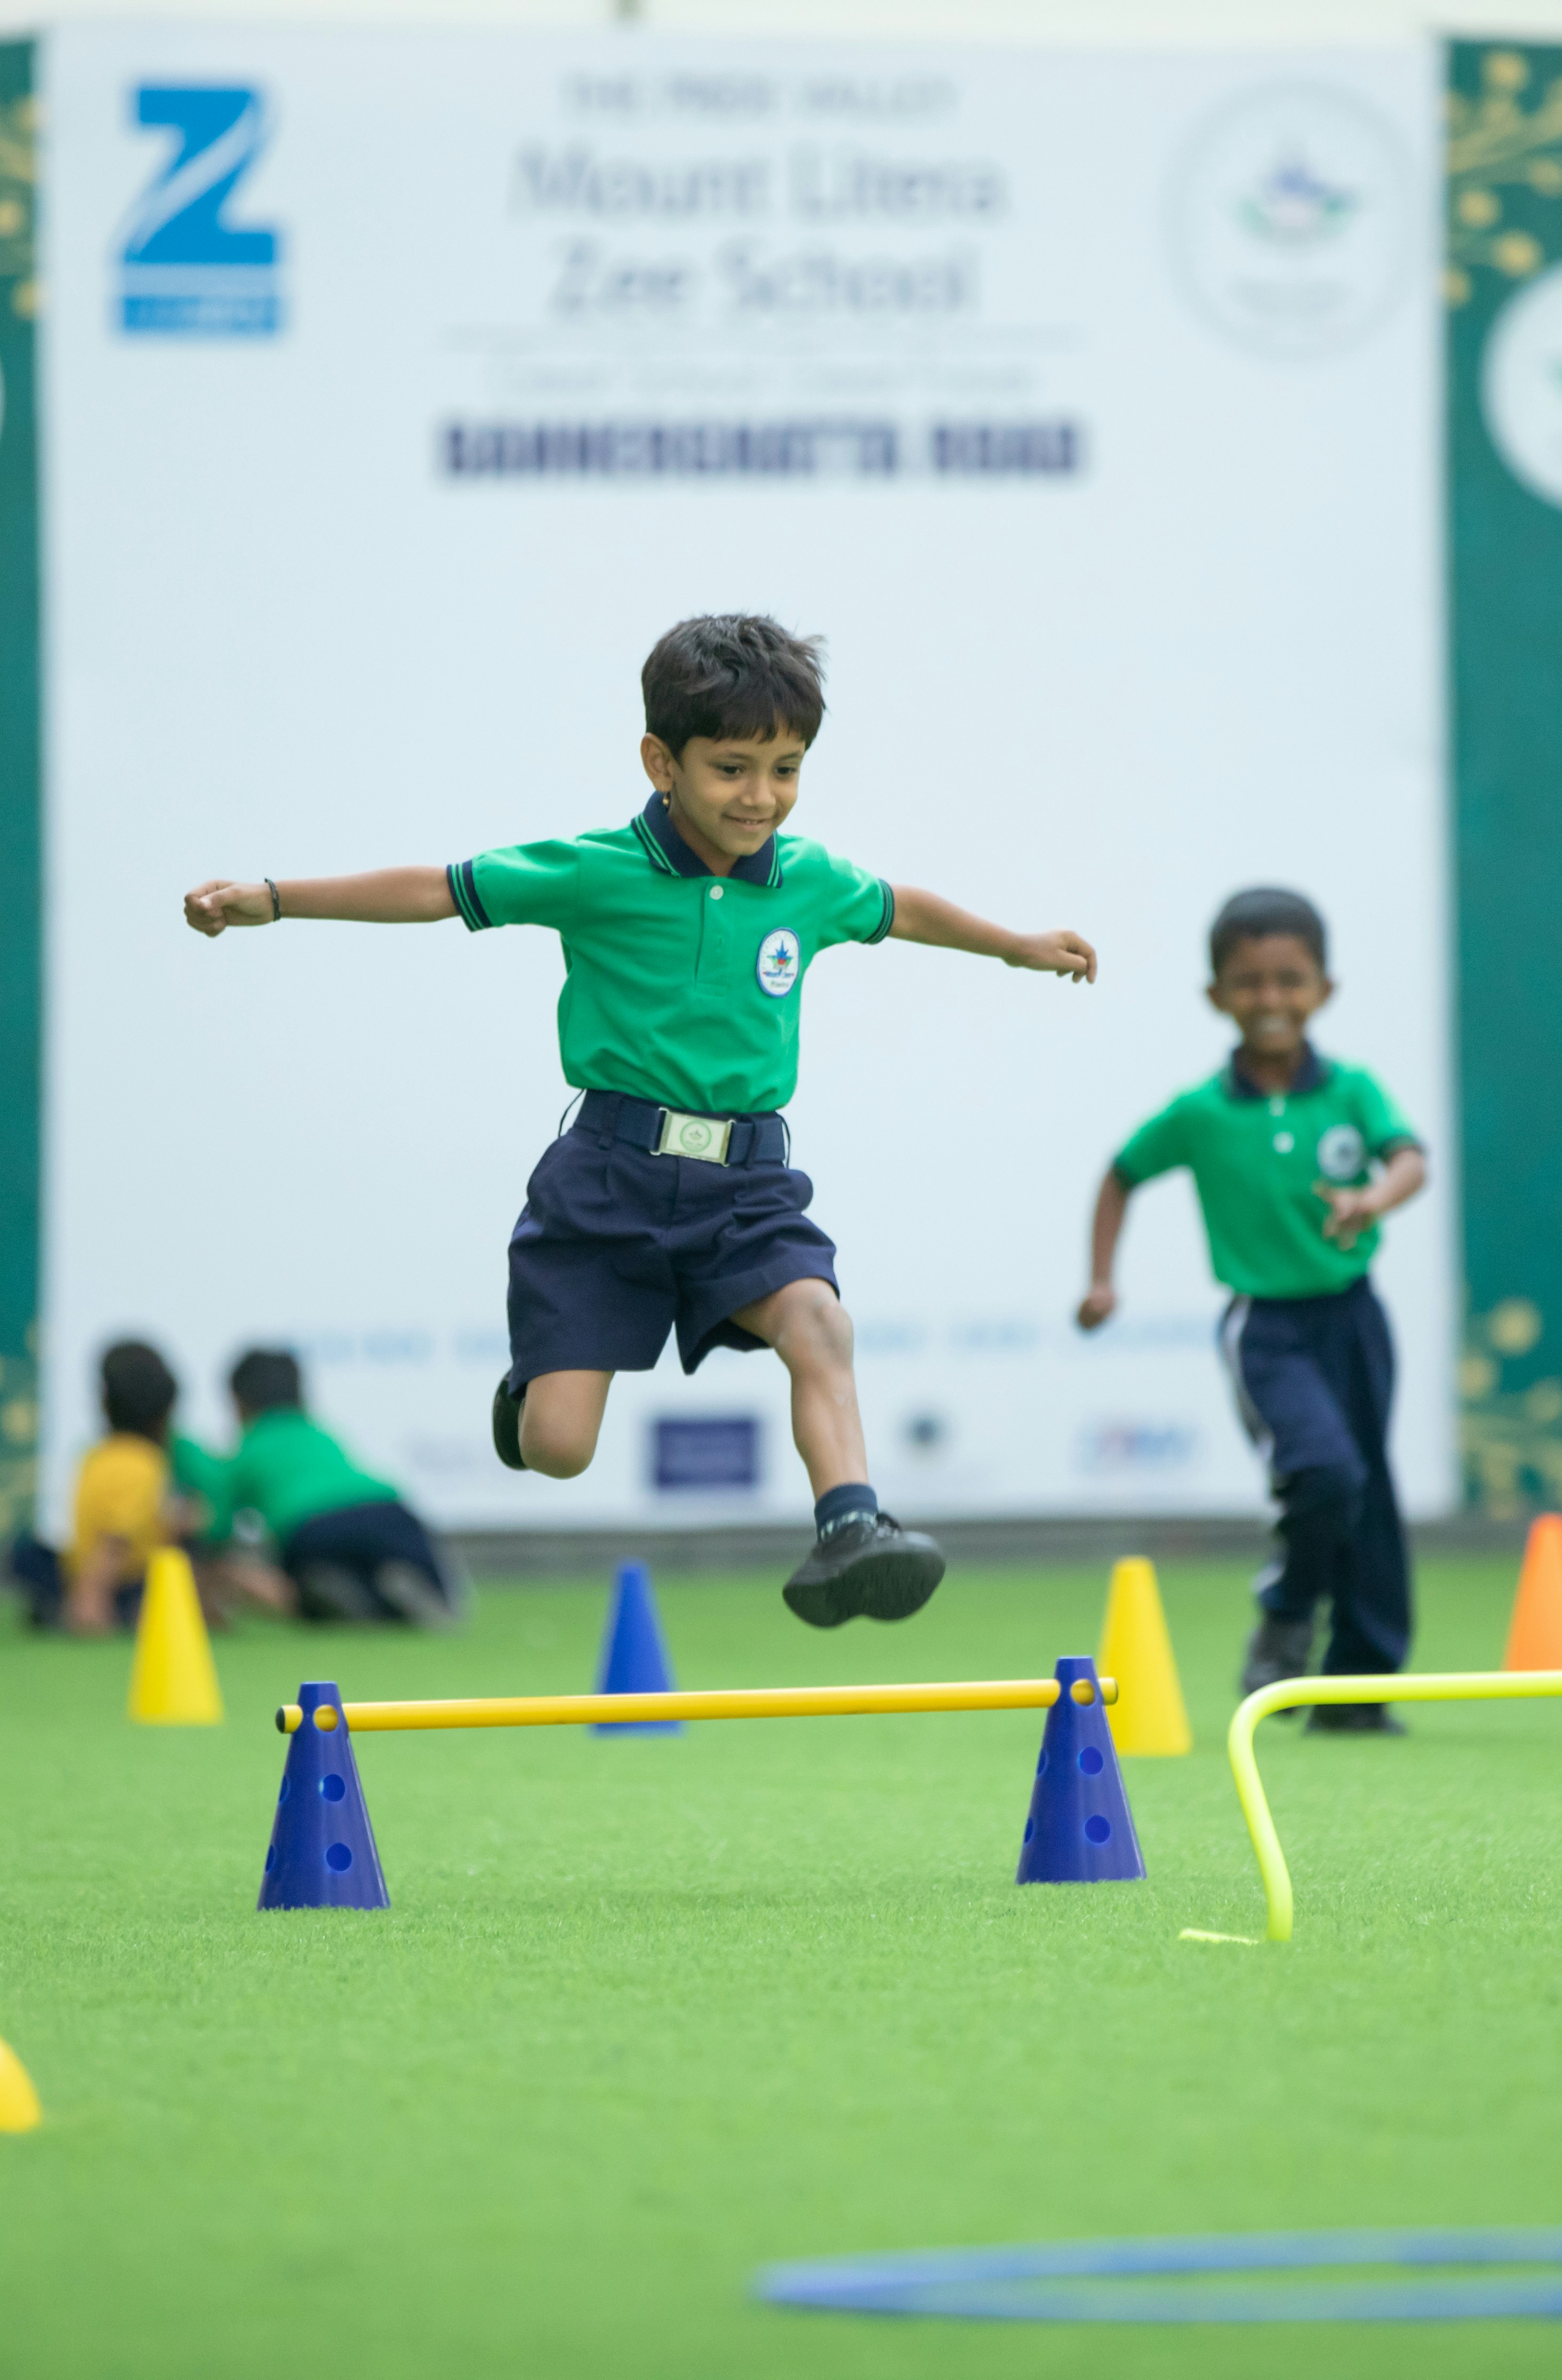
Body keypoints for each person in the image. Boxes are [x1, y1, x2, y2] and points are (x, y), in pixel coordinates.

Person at [181, 613, 1096, 1627]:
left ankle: (851, 1529)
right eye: (733, 768)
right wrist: (274, 898)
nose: (762, 797)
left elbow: (906, 911)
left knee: (819, 1322)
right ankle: (528, 1392)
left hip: (748, 1182)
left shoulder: (811, 882)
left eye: (787, 769)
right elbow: (438, 890)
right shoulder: (596, 870)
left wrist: (1015, 944)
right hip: (608, 1179)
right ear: (663, 761)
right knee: (559, 1450)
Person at [1075, 888, 1428, 1731]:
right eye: (1250, 983)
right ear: (1217, 997)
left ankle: (1358, 1691)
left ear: (1324, 991)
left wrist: (1373, 1200)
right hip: (1264, 1328)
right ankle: (1287, 1607)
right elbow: (1122, 1173)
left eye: (1289, 981)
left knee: (1369, 1489)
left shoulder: (1351, 1090)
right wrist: (1101, 1280)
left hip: (1354, 1316)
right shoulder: (1201, 1113)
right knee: (1324, 1473)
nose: (1270, 999)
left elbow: (1410, 1159)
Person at [20, 1340, 294, 1636]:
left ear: (104, 1403)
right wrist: (92, 1597)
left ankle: (60, 1603)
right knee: (197, 1562)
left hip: (74, 1568)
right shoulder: (147, 1465)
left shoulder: (93, 1456)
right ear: (166, 1414)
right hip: (126, 1583)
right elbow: (115, 1538)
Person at [190, 1346, 464, 1628]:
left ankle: (333, 1598)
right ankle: (437, 1595)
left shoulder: (245, 1450)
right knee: (413, 1572)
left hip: (309, 1525)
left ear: (238, 1402)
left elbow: (217, 1528)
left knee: (302, 1583)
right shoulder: (322, 1432)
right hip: (387, 1508)